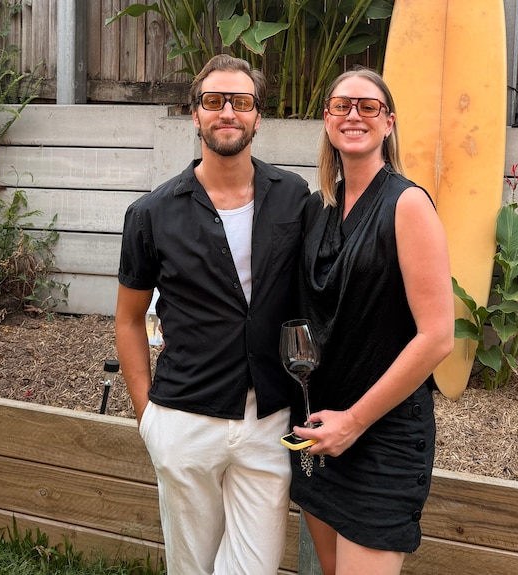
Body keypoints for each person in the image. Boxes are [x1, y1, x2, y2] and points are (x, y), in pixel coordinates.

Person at [115, 54, 310, 575]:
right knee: (191, 567)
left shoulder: (292, 196)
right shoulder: (151, 214)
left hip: (268, 420)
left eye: (241, 102)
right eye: (214, 101)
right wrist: (147, 417)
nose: (228, 111)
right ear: (194, 114)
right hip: (185, 418)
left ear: (257, 116)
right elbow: (130, 319)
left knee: (254, 568)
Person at [289, 68, 455, 575]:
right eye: (342, 106)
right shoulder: (320, 209)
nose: (354, 116)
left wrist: (355, 422)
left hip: (381, 436)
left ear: (389, 123)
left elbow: (438, 336)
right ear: (327, 120)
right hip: (322, 429)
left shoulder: (407, 204)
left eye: (368, 107)